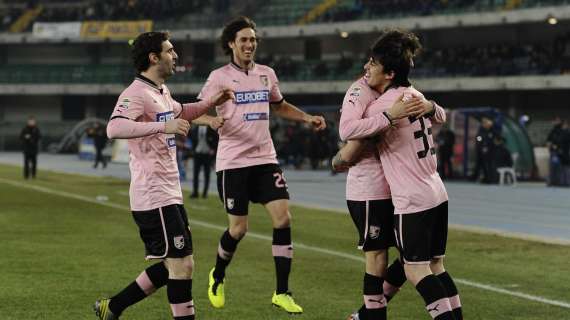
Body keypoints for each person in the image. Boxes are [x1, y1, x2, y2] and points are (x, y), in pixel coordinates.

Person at [94, 31, 234, 320]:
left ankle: (113, 307)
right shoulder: (135, 93)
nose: (176, 55)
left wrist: (212, 100)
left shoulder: (160, 91)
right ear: (153, 57)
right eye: (170, 51)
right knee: (182, 265)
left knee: (174, 263)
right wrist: (163, 127)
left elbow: (185, 111)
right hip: (153, 194)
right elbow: (114, 128)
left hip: (169, 193)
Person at [198, 16, 326, 314]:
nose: (249, 44)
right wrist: (211, 120)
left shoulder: (267, 74)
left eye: (253, 39)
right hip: (233, 163)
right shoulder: (218, 77)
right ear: (231, 43)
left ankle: (282, 292)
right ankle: (217, 275)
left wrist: (306, 117)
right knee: (239, 230)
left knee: (283, 218)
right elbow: (196, 111)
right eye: (243, 39)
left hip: (265, 159)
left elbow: (279, 105)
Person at [338, 29, 462, 320]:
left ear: (390, 73)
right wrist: (434, 107)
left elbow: (347, 131)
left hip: (412, 198)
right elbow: (440, 115)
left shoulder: (385, 105)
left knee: (415, 269)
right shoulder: (415, 94)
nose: (367, 68)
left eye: (374, 64)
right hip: (437, 191)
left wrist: (387, 117)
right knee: (436, 265)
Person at [189, 123, 218, 198]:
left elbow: (216, 139)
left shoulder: (211, 128)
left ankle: (205, 194)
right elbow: (191, 137)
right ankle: (195, 193)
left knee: (207, 175)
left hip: (207, 154)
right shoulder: (195, 128)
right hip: (197, 153)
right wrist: (193, 149)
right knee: (195, 174)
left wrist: (213, 150)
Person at [471, 117, 497, 183]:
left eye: (486, 122)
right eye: (484, 123)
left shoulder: (492, 131)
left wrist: (488, 146)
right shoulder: (481, 131)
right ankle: (481, 178)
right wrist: (480, 146)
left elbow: (495, 140)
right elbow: (478, 139)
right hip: (481, 151)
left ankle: (490, 179)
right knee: (481, 165)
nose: (485, 124)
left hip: (490, 152)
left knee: (489, 165)